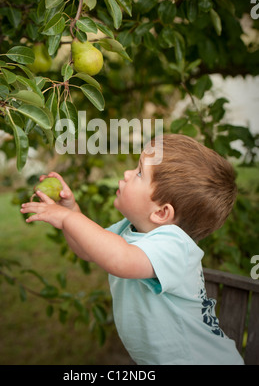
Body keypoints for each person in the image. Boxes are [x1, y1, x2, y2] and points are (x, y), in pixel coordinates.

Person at [20, 134, 244, 365]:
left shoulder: (175, 245)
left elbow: (120, 259)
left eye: (139, 173)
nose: (127, 174)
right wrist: (71, 210)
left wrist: (68, 219)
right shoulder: (129, 229)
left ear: (161, 213)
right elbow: (88, 250)